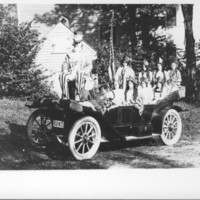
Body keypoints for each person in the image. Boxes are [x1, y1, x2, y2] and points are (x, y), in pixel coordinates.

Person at [59, 32, 93, 100]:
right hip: (72, 72)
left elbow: (90, 65)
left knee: (79, 73)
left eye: (78, 43)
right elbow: (65, 63)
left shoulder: (85, 53)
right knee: (62, 75)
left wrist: (84, 71)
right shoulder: (70, 53)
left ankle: (78, 94)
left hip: (81, 73)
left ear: (81, 43)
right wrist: (65, 70)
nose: (76, 45)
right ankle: (64, 95)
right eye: (75, 43)